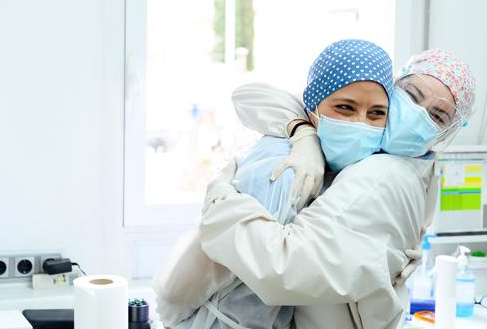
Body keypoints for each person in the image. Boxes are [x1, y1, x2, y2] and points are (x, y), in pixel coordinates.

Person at [199, 48, 476, 328]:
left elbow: (283, 268)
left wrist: (220, 199)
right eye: (413, 96)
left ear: (447, 132)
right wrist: (301, 130)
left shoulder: (381, 176)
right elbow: (251, 96)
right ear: (394, 85)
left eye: (437, 117)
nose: (416, 114)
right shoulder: (372, 138)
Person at [153, 39, 394, 328]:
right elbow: (197, 273)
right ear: (312, 106)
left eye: (377, 113)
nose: (361, 123)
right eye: (345, 107)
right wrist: (302, 131)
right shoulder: (286, 170)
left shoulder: (364, 174)